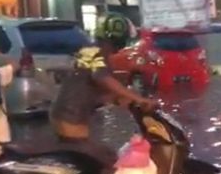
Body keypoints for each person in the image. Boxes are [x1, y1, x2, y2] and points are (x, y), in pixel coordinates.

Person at [49, 12, 157, 164]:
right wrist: (137, 97)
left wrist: (115, 99)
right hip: (72, 117)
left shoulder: (90, 49)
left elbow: (86, 84)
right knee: (103, 161)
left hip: (62, 113)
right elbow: (102, 78)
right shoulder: (99, 52)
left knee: (91, 157)